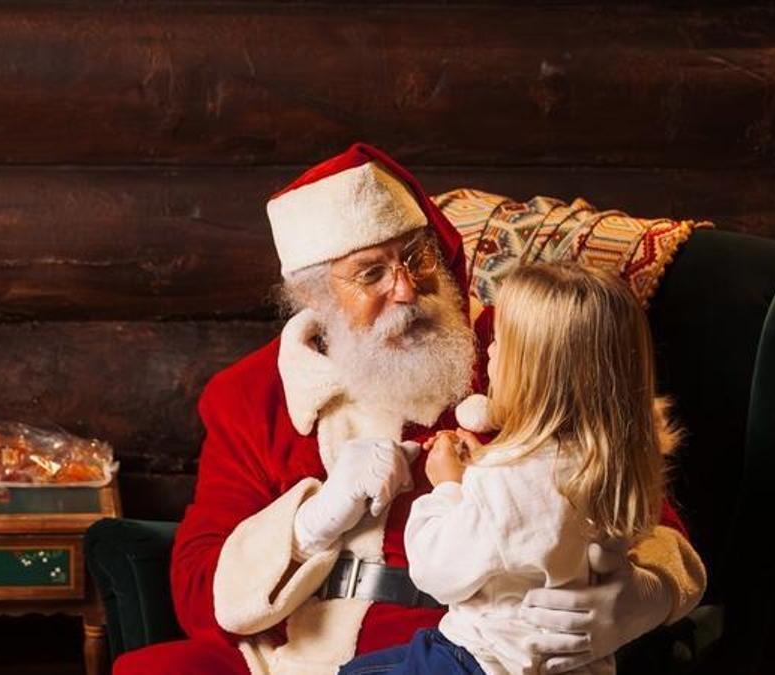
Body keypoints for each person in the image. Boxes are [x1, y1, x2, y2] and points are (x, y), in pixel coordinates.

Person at [108, 143, 706, 675]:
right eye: (370, 273)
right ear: (315, 295)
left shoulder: (513, 353)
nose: (406, 289)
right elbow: (196, 591)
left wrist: (642, 598)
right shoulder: (251, 394)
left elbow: (641, 505)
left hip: (485, 649)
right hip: (302, 652)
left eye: (416, 257)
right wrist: (311, 521)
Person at [339, 262, 677, 675]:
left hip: (479, 660)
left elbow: (437, 570)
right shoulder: (616, 464)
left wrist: (449, 487)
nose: (491, 350)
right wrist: (486, 468)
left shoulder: (505, 480)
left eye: (500, 341)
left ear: (533, 371)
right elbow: (537, 520)